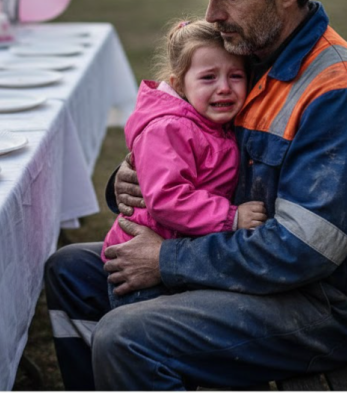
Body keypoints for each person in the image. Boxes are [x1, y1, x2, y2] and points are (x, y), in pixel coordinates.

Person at [44, 0, 347, 390]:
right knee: (69, 270)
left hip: (318, 302)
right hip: (228, 253)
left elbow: (302, 252)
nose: (212, 14)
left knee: (125, 338)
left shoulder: (340, 91)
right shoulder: (243, 56)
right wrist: (130, 180)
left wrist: (166, 262)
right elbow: (179, 141)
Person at [102, 18, 266, 310]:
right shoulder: (169, 129)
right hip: (139, 266)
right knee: (145, 331)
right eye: (208, 78)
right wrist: (232, 218)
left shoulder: (214, 124)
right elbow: (167, 197)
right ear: (179, 85)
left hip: (174, 251)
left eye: (236, 76)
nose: (224, 88)